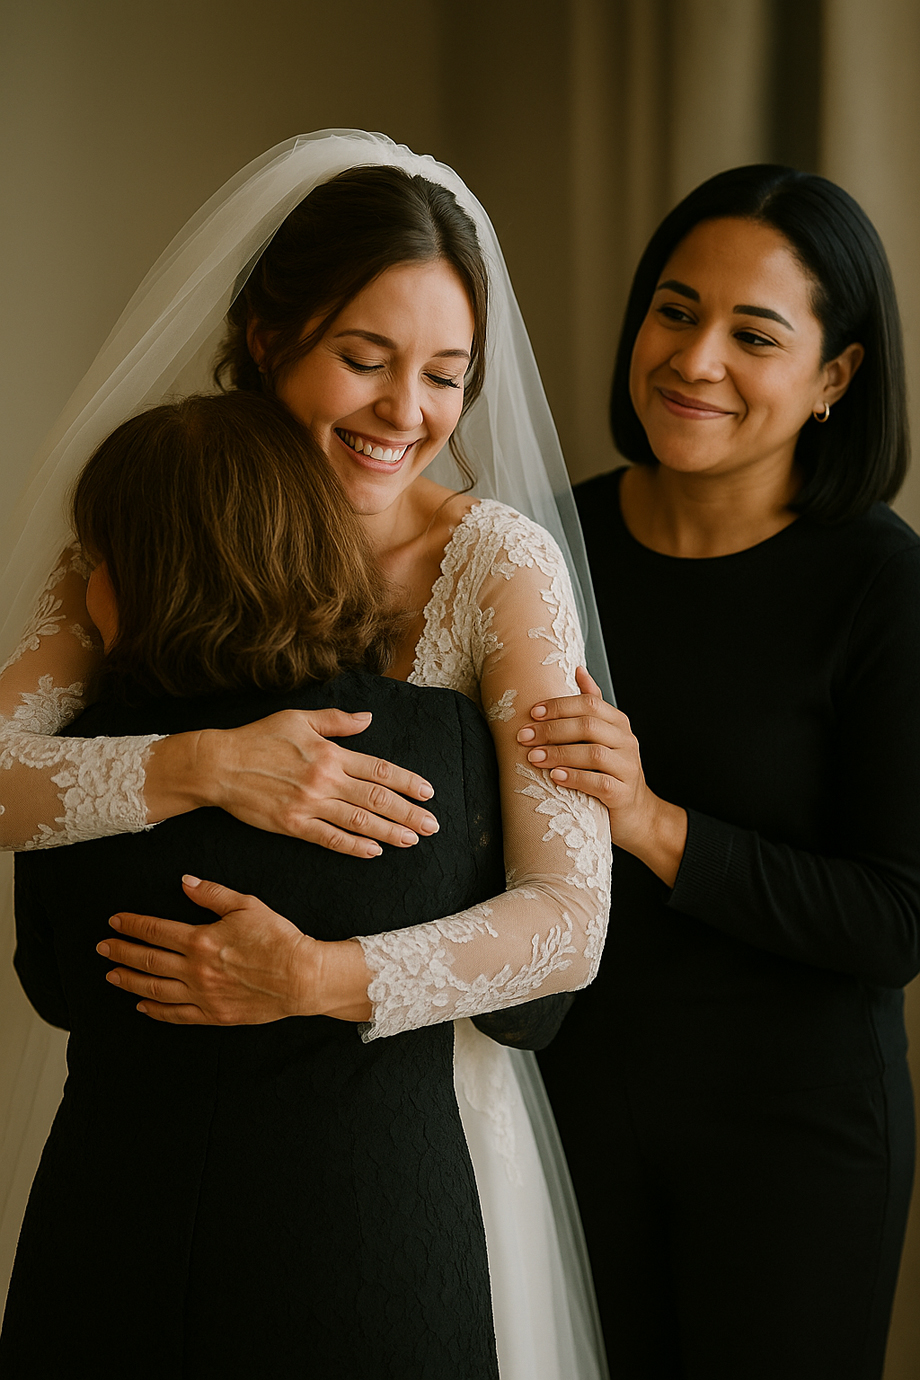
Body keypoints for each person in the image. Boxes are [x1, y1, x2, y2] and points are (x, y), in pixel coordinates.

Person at [0, 132, 610, 1378]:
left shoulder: (497, 568)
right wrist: (204, 766)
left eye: (445, 376)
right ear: (268, 337)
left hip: (391, 1141)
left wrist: (318, 977)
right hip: (151, 1149)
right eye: (364, 360)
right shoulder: (149, 522)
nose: (406, 413)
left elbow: (568, 921)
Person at [2, 388, 513, 1375]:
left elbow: (53, 987)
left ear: (152, 577)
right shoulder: (443, 741)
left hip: (115, 1256)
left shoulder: (76, 769)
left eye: (102, 556)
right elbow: (531, 1012)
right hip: (373, 1259)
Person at [523, 165, 919, 1380]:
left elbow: (894, 920)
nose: (693, 361)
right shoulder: (537, 547)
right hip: (565, 1107)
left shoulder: (880, 584)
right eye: (674, 311)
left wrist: (650, 823)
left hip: (793, 1139)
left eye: (753, 335)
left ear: (834, 378)